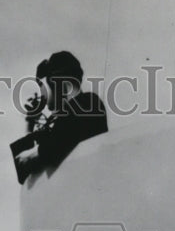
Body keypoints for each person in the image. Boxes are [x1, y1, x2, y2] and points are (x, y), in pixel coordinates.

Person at [11, 50, 108, 183]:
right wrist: (30, 122)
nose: (40, 94)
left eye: (41, 85)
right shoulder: (64, 122)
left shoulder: (88, 103)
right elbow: (23, 171)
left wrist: (35, 154)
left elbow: (62, 137)